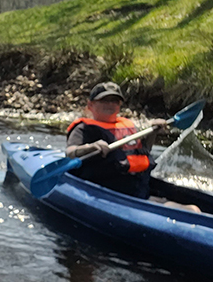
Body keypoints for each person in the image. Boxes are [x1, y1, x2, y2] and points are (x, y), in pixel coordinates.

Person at [64, 82, 200, 212]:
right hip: (106, 188)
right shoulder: (83, 129)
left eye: (115, 101)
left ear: (120, 105)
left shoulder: (127, 125)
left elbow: (143, 150)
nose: (110, 104)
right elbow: (70, 153)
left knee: (194, 209)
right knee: (187, 210)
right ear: (90, 105)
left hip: (137, 188)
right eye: (105, 100)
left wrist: (153, 131)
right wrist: (91, 147)